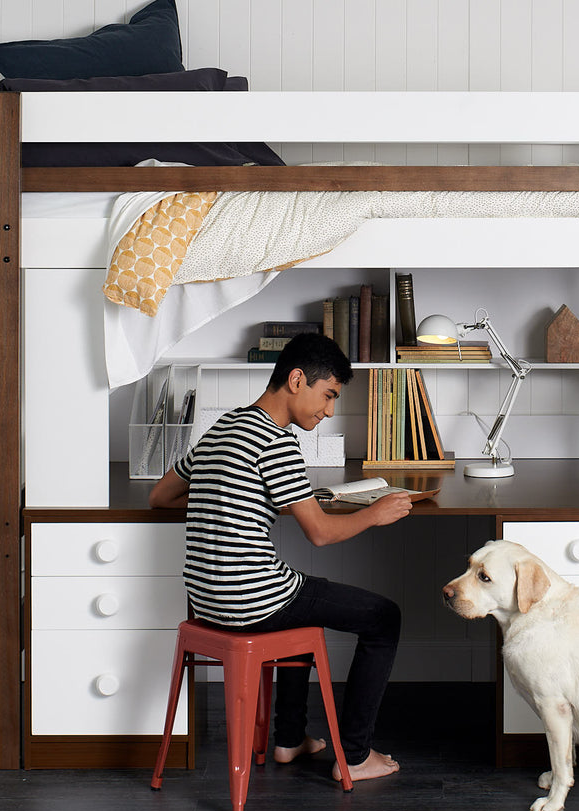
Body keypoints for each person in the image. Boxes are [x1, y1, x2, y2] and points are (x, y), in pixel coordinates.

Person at [149, 333, 412, 781]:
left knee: (302, 594)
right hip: (250, 601)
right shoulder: (277, 442)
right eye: (327, 395)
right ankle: (355, 755)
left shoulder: (226, 427)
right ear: (296, 380)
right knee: (384, 617)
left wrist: (218, 497)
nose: (328, 410)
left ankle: (290, 739)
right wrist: (375, 512)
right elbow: (321, 534)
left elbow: (160, 496)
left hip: (209, 599)